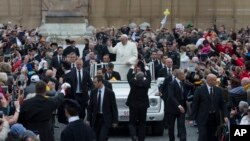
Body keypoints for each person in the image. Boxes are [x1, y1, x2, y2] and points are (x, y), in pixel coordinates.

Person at [191, 74, 228, 141]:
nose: (216, 81)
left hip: (214, 117)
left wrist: (225, 115)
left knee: (213, 136)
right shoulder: (199, 90)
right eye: (215, 80)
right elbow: (195, 104)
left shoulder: (218, 90)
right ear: (209, 80)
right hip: (202, 117)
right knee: (203, 136)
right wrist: (192, 118)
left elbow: (223, 104)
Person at [87, 75, 118, 141]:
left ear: (100, 82)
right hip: (96, 118)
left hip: (105, 119)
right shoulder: (93, 92)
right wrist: (88, 119)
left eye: (95, 82)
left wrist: (115, 121)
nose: (93, 84)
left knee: (102, 137)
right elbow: (90, 107)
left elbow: (114, 108)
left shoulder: (110, 93)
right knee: (96, 137)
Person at [126, 63, 151, 141]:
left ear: (135, 77)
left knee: (132, 122)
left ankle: (133, 135)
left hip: (133, 105)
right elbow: (149, 76)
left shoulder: (132, 82)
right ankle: (141, 139)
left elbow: (128, 74)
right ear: (143, 77)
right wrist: (146, 66)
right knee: (142, 123)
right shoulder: (146, 83)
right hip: (143, 105)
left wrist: (133, 66)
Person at [166, 69, 187, 141]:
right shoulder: (172, 84)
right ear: (178, 76)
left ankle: (183, 139)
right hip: (172, 108)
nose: (184, 76)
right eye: (183, 74)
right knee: (171, 127)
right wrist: (179, 106)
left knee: (182, 125)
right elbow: (171, 96)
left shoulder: (183, 83)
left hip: (182, 109)